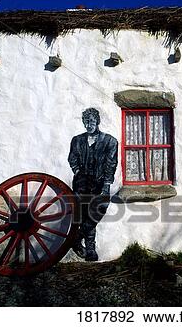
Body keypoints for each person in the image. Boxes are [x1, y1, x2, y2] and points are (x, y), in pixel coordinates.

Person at [68, 107, 118, 261]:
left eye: (92, 122)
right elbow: (72, 158)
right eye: (86, 122)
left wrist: (107, 184)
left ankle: (75, 239)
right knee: (83, 214)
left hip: (99, 183)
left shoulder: (110, 141)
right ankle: (90, 249)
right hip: (81, 184)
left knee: (97, 211)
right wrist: (77, 172)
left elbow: (111, 164)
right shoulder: (77, 140)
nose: (89, 125)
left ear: (97, 122)